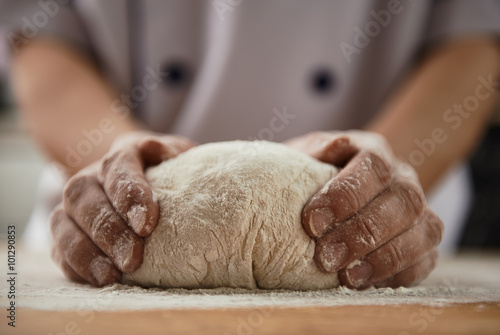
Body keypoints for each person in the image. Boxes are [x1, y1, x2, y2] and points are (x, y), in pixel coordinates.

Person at [1, 0, 499, 288]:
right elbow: (41, 32)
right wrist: (112, 162)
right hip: (112, 230)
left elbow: (474, 38)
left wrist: (382, 180)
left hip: (371, 248)